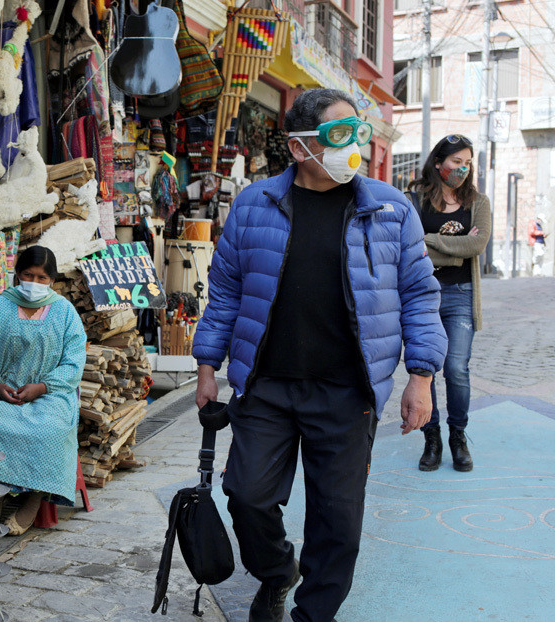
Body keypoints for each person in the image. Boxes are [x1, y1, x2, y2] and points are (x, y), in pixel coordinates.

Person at [192, 89, 447, 622]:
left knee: (338, 521)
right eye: (339, 135)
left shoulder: (390, 208)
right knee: (246, 494)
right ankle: (277, 569)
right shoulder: (253, 204)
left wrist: (421, 376)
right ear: (299, 147)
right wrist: (207, 369)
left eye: (358, 131)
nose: (353, 144)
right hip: (267, 384)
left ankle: (313, 615)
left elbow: (420, 296)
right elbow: (226, 293)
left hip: (348, 389)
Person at [0, 246, 86, 535]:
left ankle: (34, 499)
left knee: (51, 427)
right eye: (28, 275)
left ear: (52, 280)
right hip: (0, 389)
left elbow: (74, 361)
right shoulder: (0, 306)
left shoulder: (65, 312)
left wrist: (43, 386)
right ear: (17, 274)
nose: (34, 283)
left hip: (50, 392)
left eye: (42, 278)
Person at [407, 135, 491, 472]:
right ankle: (432, 438)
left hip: (460, 294)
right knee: (426, 369)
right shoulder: (415, 199)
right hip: (422, 295)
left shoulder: (478, 203)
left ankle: (458, 435)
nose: (463, 168)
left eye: (468, 162)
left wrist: (431, 243)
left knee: (456, 368)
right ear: (439, 162)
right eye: (456, 161)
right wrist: (454, 244)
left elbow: (478, 246)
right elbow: (410, 245)